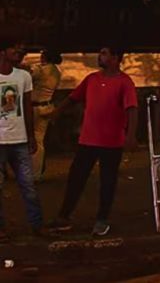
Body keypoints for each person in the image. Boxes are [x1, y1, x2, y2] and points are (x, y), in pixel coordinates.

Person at [46, 47, 137, 237]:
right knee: (76, 178)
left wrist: (130, 135)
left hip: (111, 141)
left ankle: (102, 219)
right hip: (88, 139)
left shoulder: (124, 82)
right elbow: (73, 98)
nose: (100, 57)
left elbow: (132, 109)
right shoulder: (92, 79)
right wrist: (57, 112)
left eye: (104, 53)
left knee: (107, 181)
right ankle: (64, 216)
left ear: (115, 58)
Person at [0, 41, 43, 241]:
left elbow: (26, 106)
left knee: (28, 184)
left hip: (19, 140)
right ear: (3, 52)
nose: (18, 52)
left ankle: (37, 224)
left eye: (20, 49)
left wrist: (31, 136)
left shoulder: (24, 76)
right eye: (13, 49)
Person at [30, 48, 63, 181]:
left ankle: (31, 171)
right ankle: (36, 172)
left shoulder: (40, 70)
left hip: (35, 107)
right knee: (39, 140)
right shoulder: (56, 71)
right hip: (47, 106)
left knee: (31, 140)